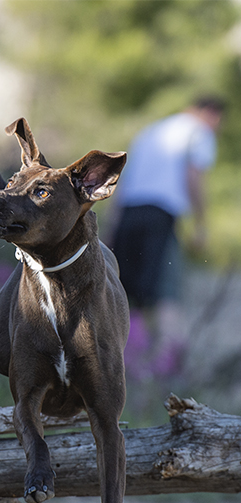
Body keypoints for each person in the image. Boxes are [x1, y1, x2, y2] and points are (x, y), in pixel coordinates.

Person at [110, 96, 224, 368]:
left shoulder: (150, 132)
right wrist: (200, 224)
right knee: (165, 289)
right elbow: (194, 175)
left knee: (124, 290)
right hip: (161, 215)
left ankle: (119, 359)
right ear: (211, 113)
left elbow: (122, 182)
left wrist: (112, 228)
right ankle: (168, 363)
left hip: (129, 213)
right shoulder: (199, 131)